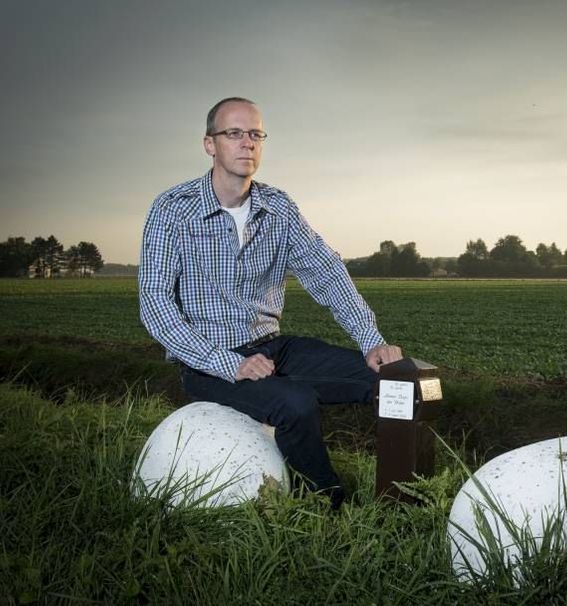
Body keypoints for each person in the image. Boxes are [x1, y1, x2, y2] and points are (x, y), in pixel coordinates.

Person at [138, 97, 402, 508]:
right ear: (210, 144)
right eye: (234, 133)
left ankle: (404, 500)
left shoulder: (278, 207)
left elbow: (326, 272)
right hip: (208, 363)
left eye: (256, 134)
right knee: (293, 403)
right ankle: (328, 507)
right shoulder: (172, 209)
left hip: (273, 348)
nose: (248, 143)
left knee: (395, 380)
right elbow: (155, 305)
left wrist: (371, 341)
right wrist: (230, 364)